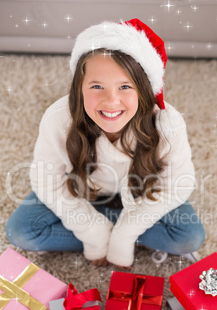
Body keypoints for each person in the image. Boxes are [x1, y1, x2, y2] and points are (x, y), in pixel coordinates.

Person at [6, 18, 205, 268]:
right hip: (82, 190)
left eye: (124, 87)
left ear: (143, 90)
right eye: (97, 86)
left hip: (143, 193)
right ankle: (106, 226)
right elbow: (47, 180)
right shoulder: (58, 119)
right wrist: (91, 231)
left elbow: (176, 184)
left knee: (189, 238)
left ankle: (117, 227)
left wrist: (126, 233)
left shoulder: (167, 123)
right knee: (21, 231)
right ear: (79, 89)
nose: (111, 101)